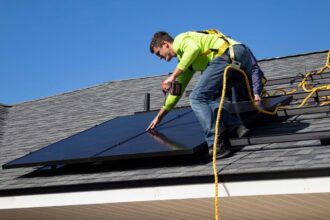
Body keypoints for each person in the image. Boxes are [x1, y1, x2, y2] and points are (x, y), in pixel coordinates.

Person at [146, 29, 264, 158]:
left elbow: (193, 50)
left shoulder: (180, 40)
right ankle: (237, 127)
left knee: (196, 98)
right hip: (236, 59)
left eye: (158, 53)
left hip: (228, 54)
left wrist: (172, 77)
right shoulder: (185, 64)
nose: (159, 58)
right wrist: (159, 117)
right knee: (207, 100)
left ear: (165, 44)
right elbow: (176, 92)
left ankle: (216, 143)